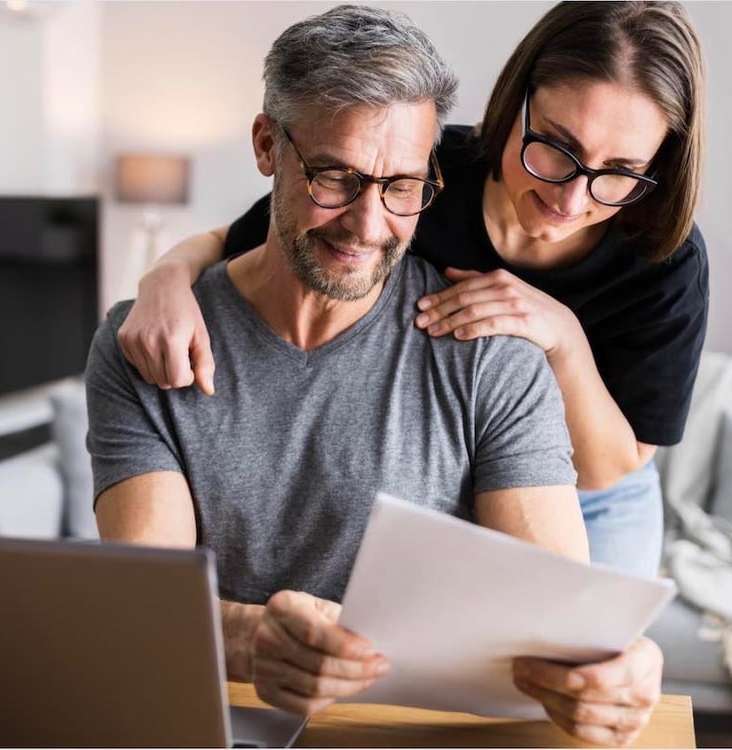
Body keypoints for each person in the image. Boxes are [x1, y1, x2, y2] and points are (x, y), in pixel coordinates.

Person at [89, 6, 663, 746]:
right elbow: (143, 604)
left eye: (402, 187)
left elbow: (560, 625)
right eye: (336, 177)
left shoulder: (492, 353)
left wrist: (623, 665)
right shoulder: (149, 344)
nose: (367, 226)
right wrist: (248, 638)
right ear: (268, 147)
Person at [118, 0, 709, 580]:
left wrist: (564, 339)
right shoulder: (413, 166)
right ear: (516, 104)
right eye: (557, 149)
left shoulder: (665, 256)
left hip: (594, 496)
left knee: (589, 655)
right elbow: (241, 238)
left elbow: (611, 467)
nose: (572, 199)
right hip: (464, 465)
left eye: (619, 173)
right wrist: (163, 279)